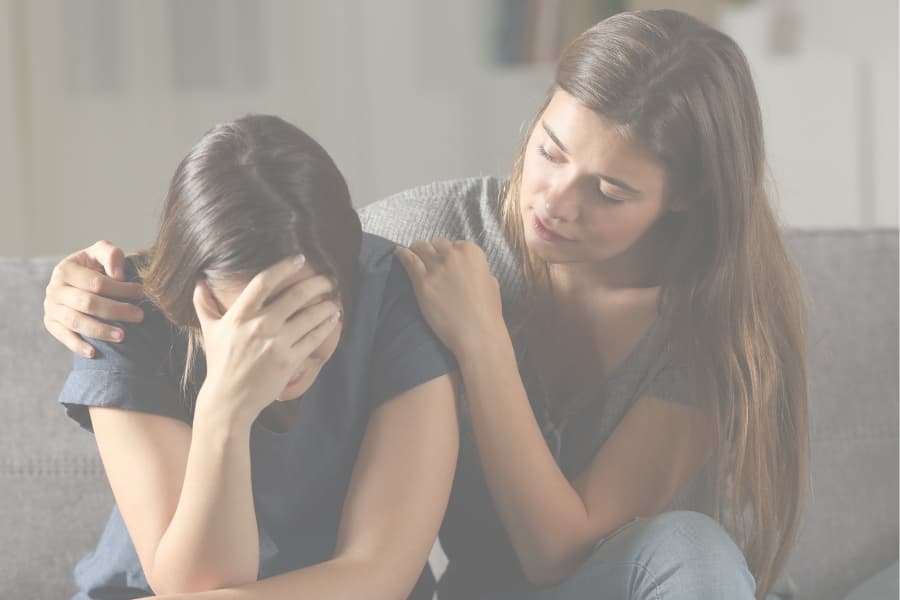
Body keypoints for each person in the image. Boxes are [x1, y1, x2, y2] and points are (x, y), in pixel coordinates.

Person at [43, 10, 808, 600]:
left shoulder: (721, 329)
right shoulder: (422, 237)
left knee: (693, 544)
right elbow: (272, 233)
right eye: (548, 149)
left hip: (602, 581)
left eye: (609, 191)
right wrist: (82, 283)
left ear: (686, 199)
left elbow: (557, 552)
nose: (554, 202)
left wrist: (480, 341)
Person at [50, 114, 460, 599]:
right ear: (194, 293)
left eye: (307, 314)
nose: (282, 353)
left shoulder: (394, 294)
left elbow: (379, 574)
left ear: (346, 278)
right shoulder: (121, 314)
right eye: (248, 321)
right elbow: (195, 584)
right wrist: (226, 407)